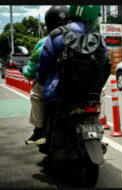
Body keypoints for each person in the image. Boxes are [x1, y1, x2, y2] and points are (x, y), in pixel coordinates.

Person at [36, 5, 111, 110]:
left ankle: (39, 126)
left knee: (37, 92)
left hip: (60, 96)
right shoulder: (100, 39)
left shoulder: (56, 35)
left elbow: (43, 66)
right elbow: (107, 66)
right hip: (92, 98)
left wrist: (40, 79)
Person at [21, 5, 69, 145]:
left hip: (56, 86)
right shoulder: (84, 36)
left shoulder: (45, 42)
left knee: (36, 94)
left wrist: (25, 71)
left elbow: (33, 72)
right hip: (84, 84)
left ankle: (39, 130)